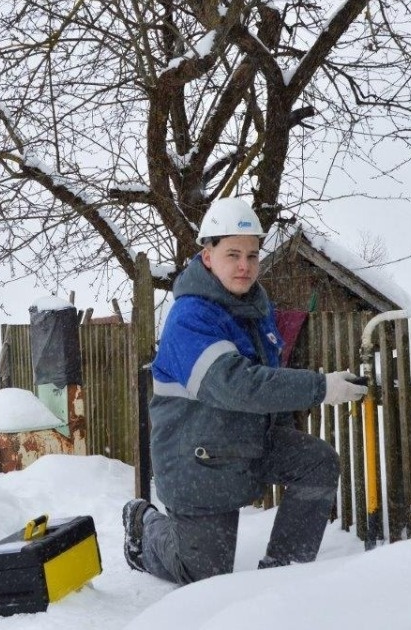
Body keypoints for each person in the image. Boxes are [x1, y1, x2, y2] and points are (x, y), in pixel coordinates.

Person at [122, 197, 368, 585]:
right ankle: (144, 527)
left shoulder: (254, 306)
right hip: (198, 458)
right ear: (207, 255)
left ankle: (283, 572)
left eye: (252, 255)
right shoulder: (190, 317)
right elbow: (238, 385)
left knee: (317, 462)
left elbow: (268, 372)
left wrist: (286, 422)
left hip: (248, 442)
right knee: (201, 574)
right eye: (233, 254)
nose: (244, 265)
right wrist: (321, 387)